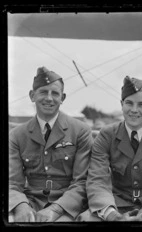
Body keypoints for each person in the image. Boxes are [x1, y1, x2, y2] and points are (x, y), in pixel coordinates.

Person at [77, 76, 142, 221]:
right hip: (115, 204)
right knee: (86, 220)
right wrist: (112, 215)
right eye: (129, 103)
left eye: (141, 105)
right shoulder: (106, 135)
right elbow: (97, 180)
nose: (134, 110)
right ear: (121, 104)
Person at [9, 67, 94, 222]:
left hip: (67, 206)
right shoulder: (17, 135)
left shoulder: (81, 131)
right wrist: (21, 206)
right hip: (30, 203)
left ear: (63, 98)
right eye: (43, 92)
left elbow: (81, 182)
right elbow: (12, 182)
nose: (49, 98)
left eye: (55, 93)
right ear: (32, 95)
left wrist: (55, 209)